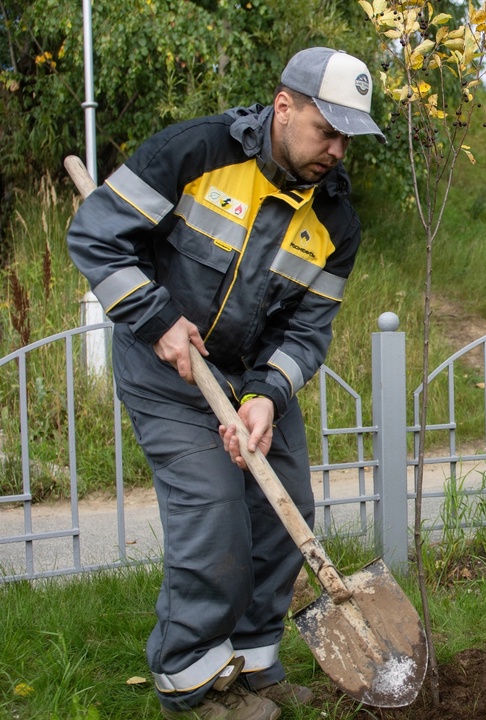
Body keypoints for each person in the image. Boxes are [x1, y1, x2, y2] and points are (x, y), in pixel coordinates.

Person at [66, 47, 385, 720]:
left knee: (283, 506)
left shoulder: (336, 222)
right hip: (165, 372)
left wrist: (266, 394)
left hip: (247, 373)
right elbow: (96, 235)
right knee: (215, 517)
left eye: (347, 137)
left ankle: (255, 657)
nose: (336, 149)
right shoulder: (195, 153)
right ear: (283, 106)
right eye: (324, 130)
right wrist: (156, 321)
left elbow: (307, 331)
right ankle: (192, 678)